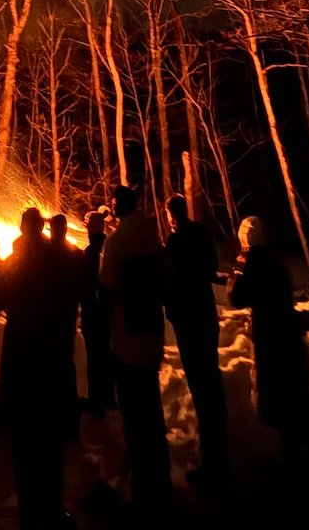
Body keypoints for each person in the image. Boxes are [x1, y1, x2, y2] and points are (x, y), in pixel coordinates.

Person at [0, 207, 74, 530]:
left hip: (23, 356)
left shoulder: (15, 260)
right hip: (50, 355)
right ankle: (52, 507)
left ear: (22, 227)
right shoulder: (58, 257)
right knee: (49, 437)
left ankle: (29, 510)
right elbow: (71, 297)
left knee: (25, 437)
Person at [99, 185, 172, 515]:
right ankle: (161, 481)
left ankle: (142, 493)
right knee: (152, 410)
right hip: (152, 334)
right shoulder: (152, 235)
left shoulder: (118, 242)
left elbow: (106, 284)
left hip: (127, 338)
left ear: (118, 207)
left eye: (113, 203)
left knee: (134, 414)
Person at [228, 216, 309, 466]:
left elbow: (237, 298)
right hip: (288, 334)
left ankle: (295, 462)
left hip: (271, 339)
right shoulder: (276, 261)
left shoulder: (254, 266)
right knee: (296, 395)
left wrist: (237, 272)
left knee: (282, 401)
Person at [165, 194, 231, 487]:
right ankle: (220, 447)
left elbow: (171, 280)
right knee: (210, 378)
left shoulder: (175, 242)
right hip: (205, 312)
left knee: (200, 383)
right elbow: (210, 267)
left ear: (171, 215)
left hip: (189, 318)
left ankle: (214, 466)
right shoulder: (202, 234)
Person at [48, 213, 83, 439]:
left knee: (50, 363)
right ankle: (69, 417)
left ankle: (53, 413)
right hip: (67, 315)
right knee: (65, 362)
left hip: (50, 316)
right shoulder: (76, 254)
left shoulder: (45, 252)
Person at [80, 210, 114, 416]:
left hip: (94, 314)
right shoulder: (109, 247)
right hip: (108, 312)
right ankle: (110, 397)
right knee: (108, 355)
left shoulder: (91, 251)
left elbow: (86, 285)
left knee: (95, 357)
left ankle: (96, 402)